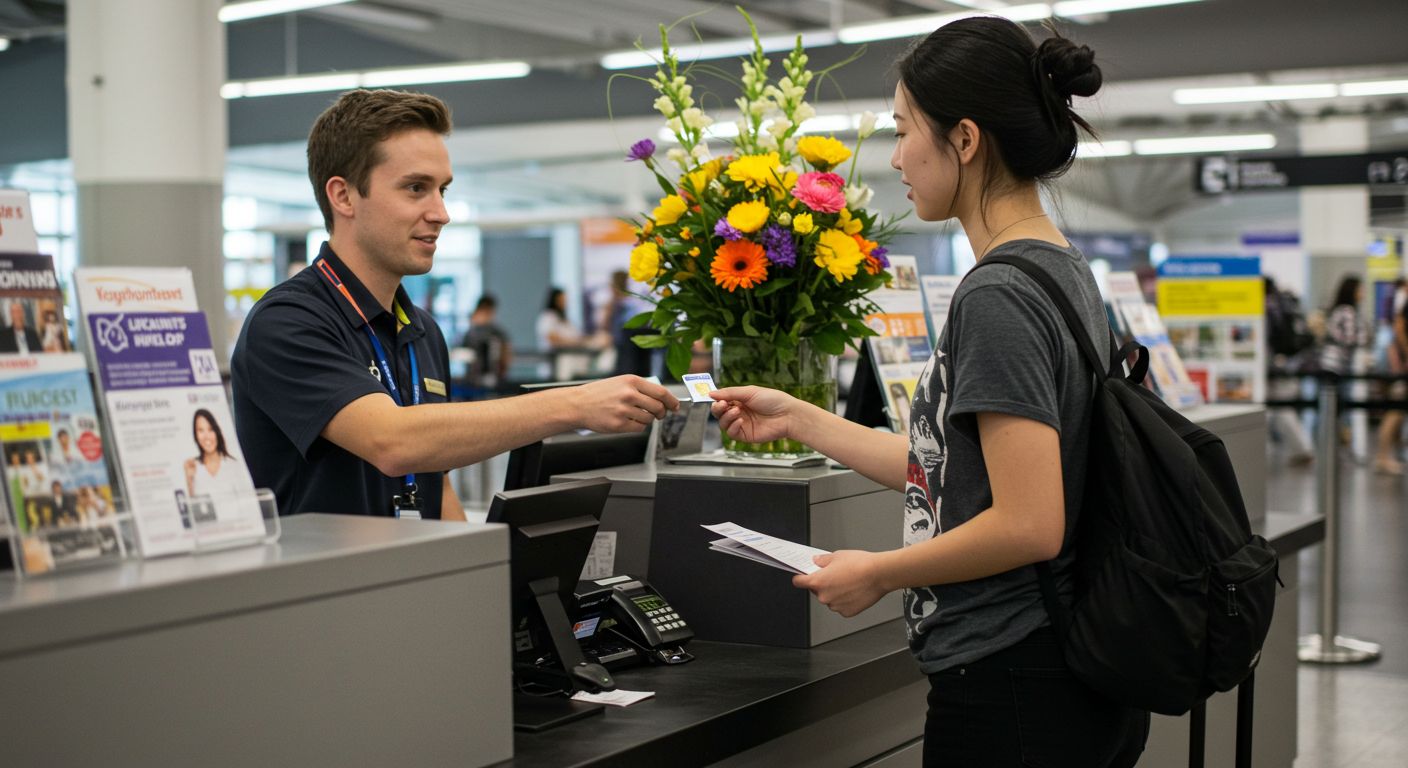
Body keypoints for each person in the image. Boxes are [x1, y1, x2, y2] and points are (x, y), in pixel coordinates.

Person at [711, 18, 1147, 766]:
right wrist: (803, 419)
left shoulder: (999, 295)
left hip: (1013, 682)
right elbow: (953, 470)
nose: (896, 156)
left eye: (904, 128)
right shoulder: (1063, 269)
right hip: (1066, 668)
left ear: (967, 140)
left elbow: (1028, 523)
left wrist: (876, 572)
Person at [231, 89, 678, 521]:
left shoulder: (421, 330)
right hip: (326, 591)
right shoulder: (289, 321)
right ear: (343, 196)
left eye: (442, 189)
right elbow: (392, 442)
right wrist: (572, 405)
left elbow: (434, 480)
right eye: (415, 188)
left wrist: (477, 582)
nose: (441, 212)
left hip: (415, 587)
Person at [1264, 277, 1314, 465]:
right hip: (1285, 364)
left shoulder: (1268, 309)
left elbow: (1268, 342)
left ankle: (1302, 448)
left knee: (1281, 409)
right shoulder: (1282, 306)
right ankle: (1300, 448)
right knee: (1280, 409)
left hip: (1273, 366)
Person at [183, 409, 256, 500]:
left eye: (211, 429)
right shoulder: (192, 467)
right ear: (195, 434)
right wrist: (189, 481)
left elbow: (248, 503)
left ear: (217, 431)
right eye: (200, 430)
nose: (206, 436)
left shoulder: (233, 465)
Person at [1374, 277, 1407, 474]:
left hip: (1400, 365)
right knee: (1394, 411)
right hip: (1402, 370)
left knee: (1397, 413)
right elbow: (1399, 328)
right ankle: (1383, 457)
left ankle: (1388, 455)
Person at [460, 294, 512, 387]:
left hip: (493, 378)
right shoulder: (471, 333)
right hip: (473, 379)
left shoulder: (497, 333)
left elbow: (506, 352)